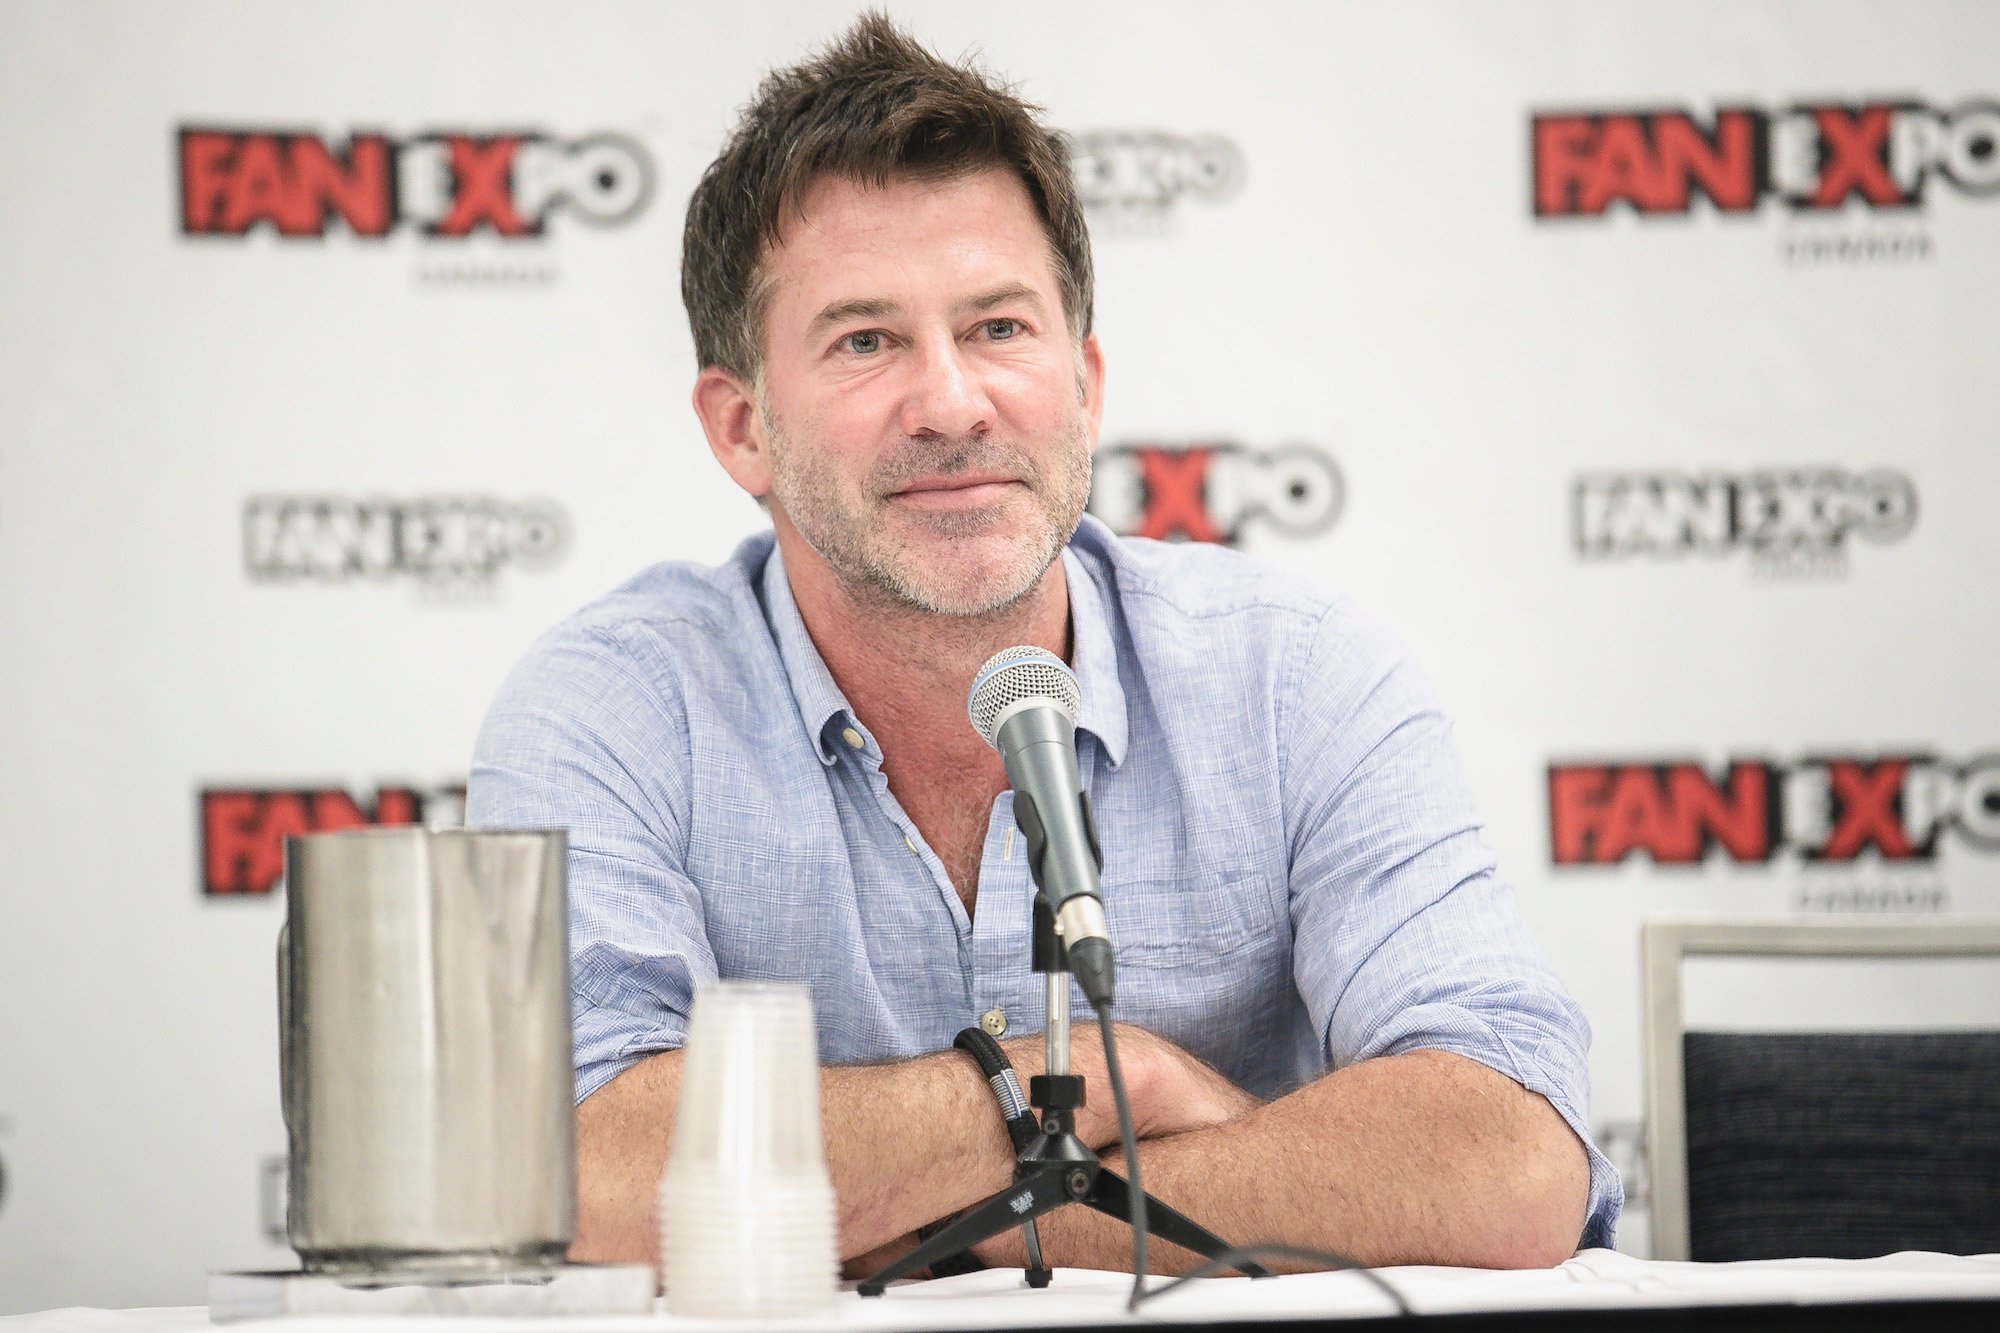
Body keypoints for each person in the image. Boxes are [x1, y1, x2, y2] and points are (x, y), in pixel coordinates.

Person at [469, 12, 1619, 1278]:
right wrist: (1070, 1082)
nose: (953, 403)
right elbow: (569, 1177)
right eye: (865, 340)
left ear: (1085, 382)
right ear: (740, 427)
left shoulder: (1297, 681)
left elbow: (1507, 1164)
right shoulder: (612, 709)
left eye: (999, 329)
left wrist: (962, 1212)